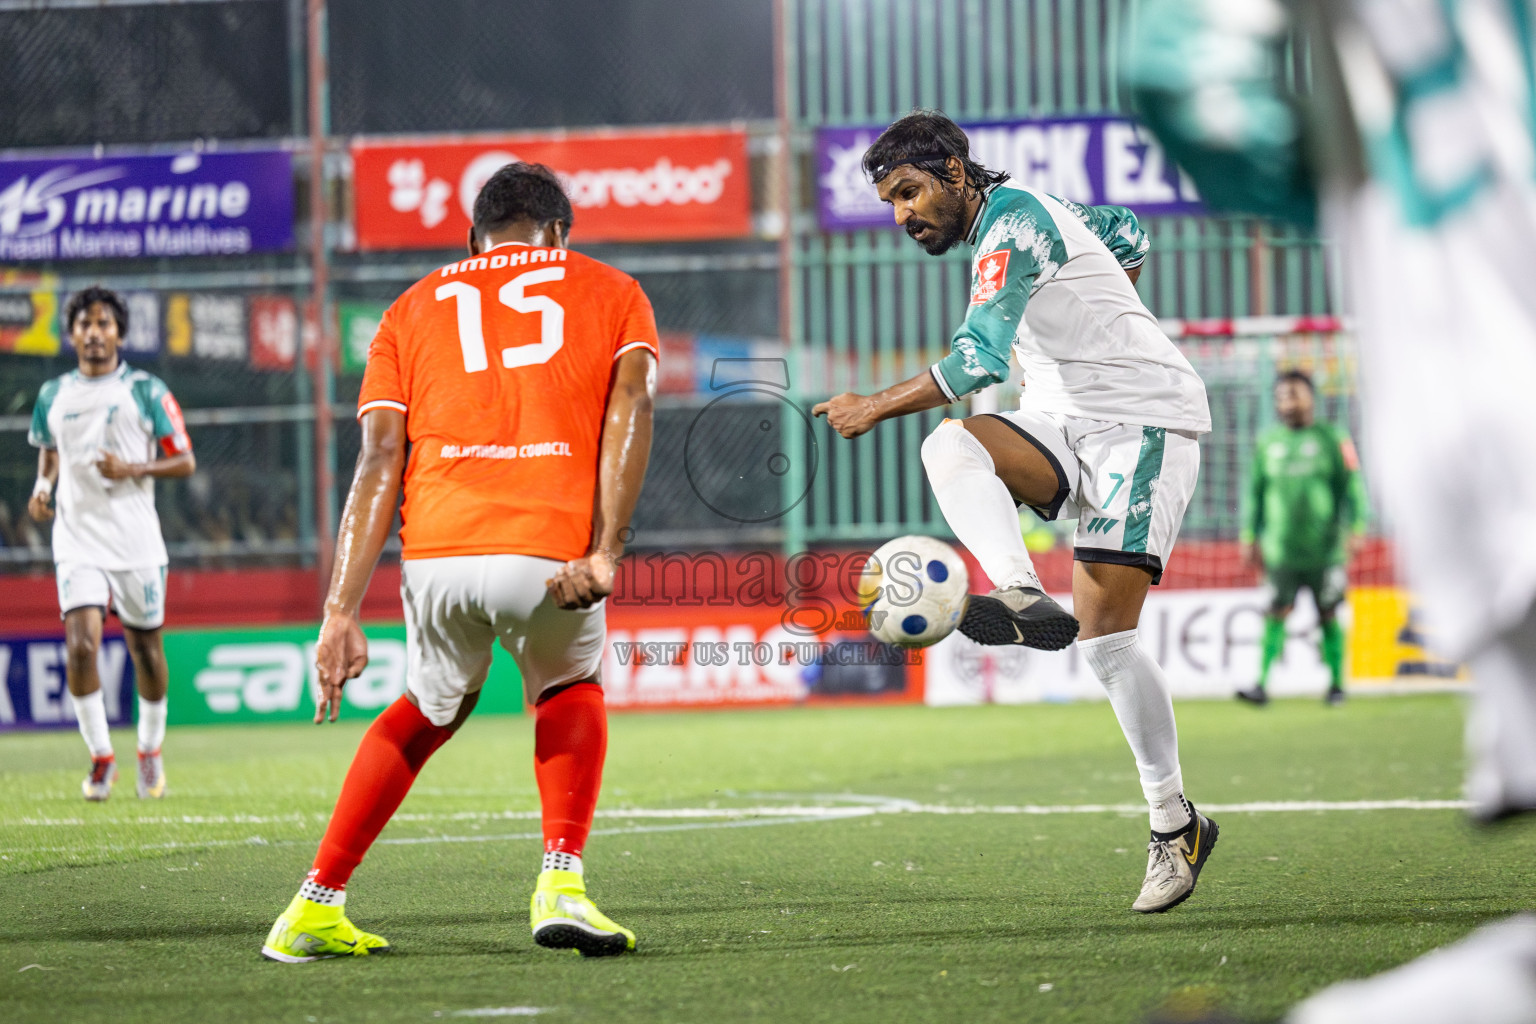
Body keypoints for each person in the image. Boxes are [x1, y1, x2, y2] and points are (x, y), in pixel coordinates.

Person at [1127, 1, 1536, 1020]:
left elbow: (1177, 67)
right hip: (1474, 437)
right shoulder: (1276, 443)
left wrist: (1349, 186)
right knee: (1286, 614)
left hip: (1480, 416)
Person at [813, 110, 1218, 914]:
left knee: (1108, 644)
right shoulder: (1042, 211)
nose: (902, 215)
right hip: (1062, 419)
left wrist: (871, 406)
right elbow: (1127, 230)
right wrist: (1102, 311)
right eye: (891, 202)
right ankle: (1019, 590)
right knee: (951, 447)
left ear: (954, 170)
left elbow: (975, 361)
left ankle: (1176, 824)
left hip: (1142, 424)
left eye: (910, 192)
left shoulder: (1011, 227)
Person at [260, 163, 658, 963]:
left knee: (429, 706)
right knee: (570, 686)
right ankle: (560, 883)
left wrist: (340, 609)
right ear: (559, 232)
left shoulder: (408, 308)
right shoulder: (613, 290)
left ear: (475, 239)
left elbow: (379, 456)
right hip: (544, 549)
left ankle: (313, 905)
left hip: (437, 552)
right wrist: (606, 550)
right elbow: (633, 405)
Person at [27, 286, 195, 801]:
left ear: (120, 333)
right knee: (81, 647)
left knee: (146, 651)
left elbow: (184, 460)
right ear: (72, 334)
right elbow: (50, 451)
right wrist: (43, 486)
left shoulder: (145, 390)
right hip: (76, 539)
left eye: (104, 324)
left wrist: (132, 468)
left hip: (135, 541)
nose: (94, 333)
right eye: (85, 324)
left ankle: (149, 751)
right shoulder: (53, 395)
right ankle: (102, 758)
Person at [1236, 370, 1368, 707]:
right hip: (1280, 550)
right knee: (1276, 610)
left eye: (1294, 394)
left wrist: (1357, 527)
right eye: (1281, 396)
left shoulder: (1333, 438)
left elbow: (1352, 488)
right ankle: (1261, 685)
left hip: (1325, 549)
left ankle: (1337, 685)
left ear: (1311, 397)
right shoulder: (1268, 443)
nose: (1287, 402)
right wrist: (1249, 535)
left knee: (1328, 612)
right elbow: (1255, 493)